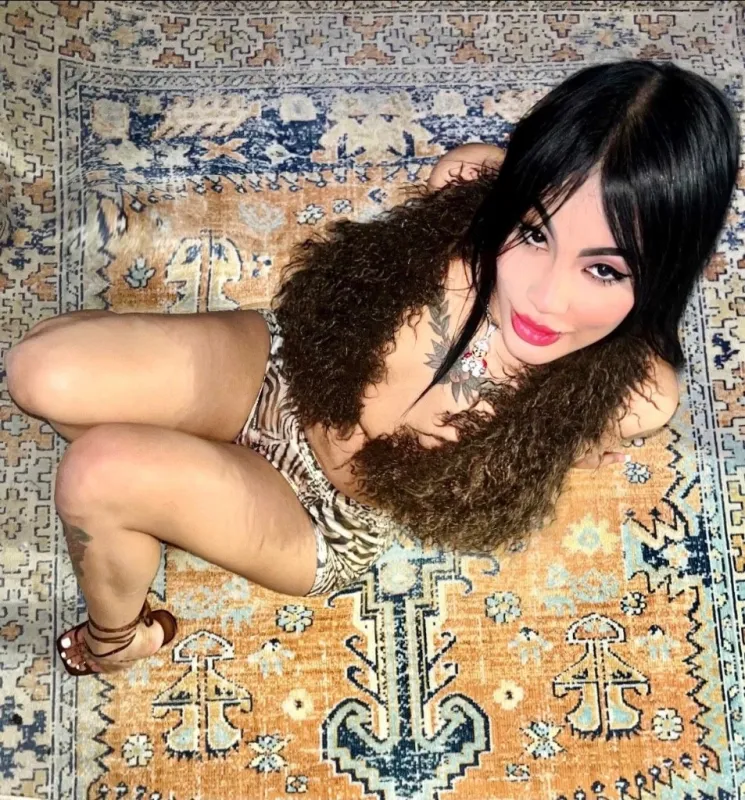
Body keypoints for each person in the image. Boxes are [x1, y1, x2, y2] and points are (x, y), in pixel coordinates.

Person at [6, 60, 738, 676]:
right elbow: (490, 165)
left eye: (605, 269)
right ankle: (161, 491)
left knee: (98, 474)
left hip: (323, 514)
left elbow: (615, 413)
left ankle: (119, 641)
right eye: (533, 232)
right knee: (40, 372)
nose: (546, 296)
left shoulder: (635, 392)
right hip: (282, 367)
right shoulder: (468, 189)